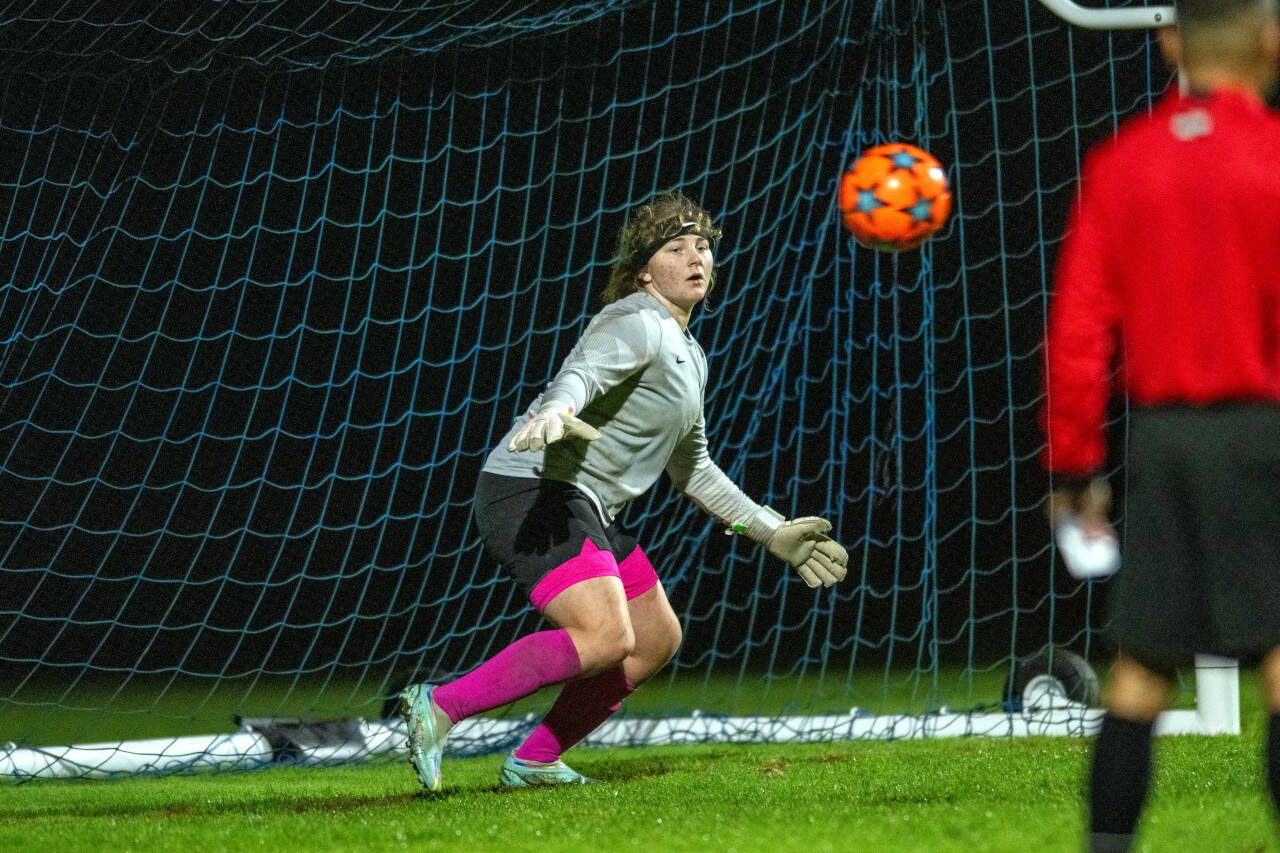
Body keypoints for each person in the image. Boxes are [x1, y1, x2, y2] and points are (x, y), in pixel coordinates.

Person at [400, 190, 849, 791]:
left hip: (584, 503)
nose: (695, 257)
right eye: (675, 248)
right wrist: (557, 410)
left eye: (702, 246)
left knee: (656, 639)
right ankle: (441, 705)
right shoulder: (636, 319)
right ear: (643, 271)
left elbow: (694, 470)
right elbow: (580, 374)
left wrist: (770, 532)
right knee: (607, 638)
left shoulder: (690, 354)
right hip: (531, 489)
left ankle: (534, 760)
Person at [1041, 0, 1280, 849]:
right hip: (1263, 433)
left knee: (1141, 672)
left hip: (1164, 443)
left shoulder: (1121, 163)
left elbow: (1077, 333)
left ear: (1170, 43)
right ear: (1269, 43)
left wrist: (1074, 468)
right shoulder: (1273, 157)